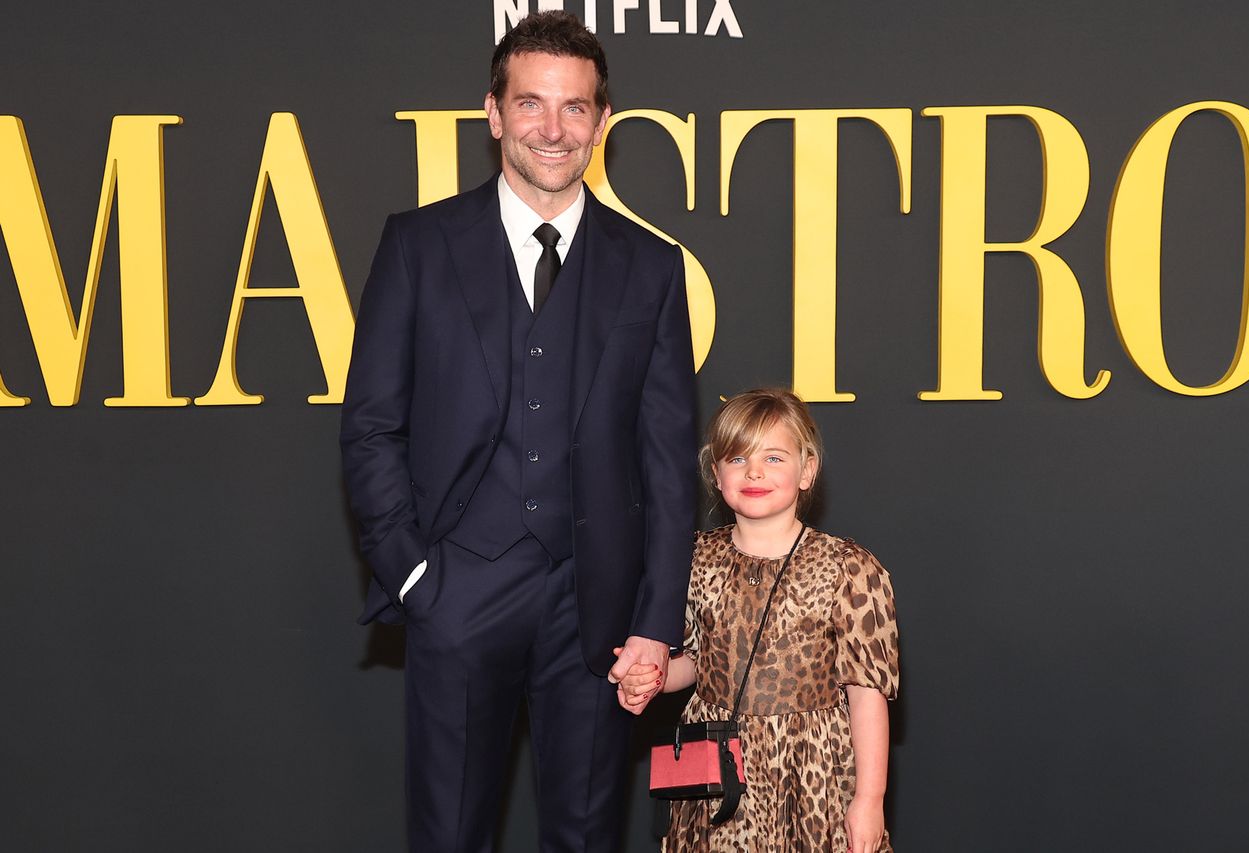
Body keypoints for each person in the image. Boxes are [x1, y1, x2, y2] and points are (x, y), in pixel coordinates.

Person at [339, 11, 697, 852]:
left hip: (599, 611)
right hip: (458, 589)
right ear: (493, 113)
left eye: (575, 108)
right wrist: (420, 579)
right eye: (531, 103)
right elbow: (370, 427)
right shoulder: (418, 246)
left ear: (602, 123)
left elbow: (668, 461)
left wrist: (654, 619)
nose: (553, 128)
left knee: (587, 835)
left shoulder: (650, 267)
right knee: (450, 833)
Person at [617, 389, 900, 853]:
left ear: (807, 470)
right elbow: (695, 661)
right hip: (715, 775)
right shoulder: (690, 558)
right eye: (737, 458)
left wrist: (869, 799)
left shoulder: (848, 567)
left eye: (773, 457)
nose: (754, 472)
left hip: (813, 775)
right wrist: (654, 676)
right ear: (715, 472)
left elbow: (867, 696)